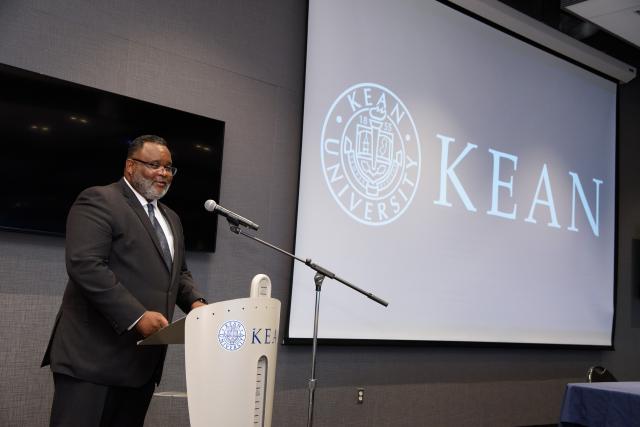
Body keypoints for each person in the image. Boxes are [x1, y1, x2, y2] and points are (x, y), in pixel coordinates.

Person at [42, 135, 207, 427]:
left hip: (140, 364)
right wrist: (137, 315)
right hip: (91, 360)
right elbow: (86, 265)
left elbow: (178, 273)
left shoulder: (172, 218)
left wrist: (197, 303)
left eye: (169, 168)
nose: (163, 173)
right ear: (130, 166)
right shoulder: (99, 199)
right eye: (154, 165)